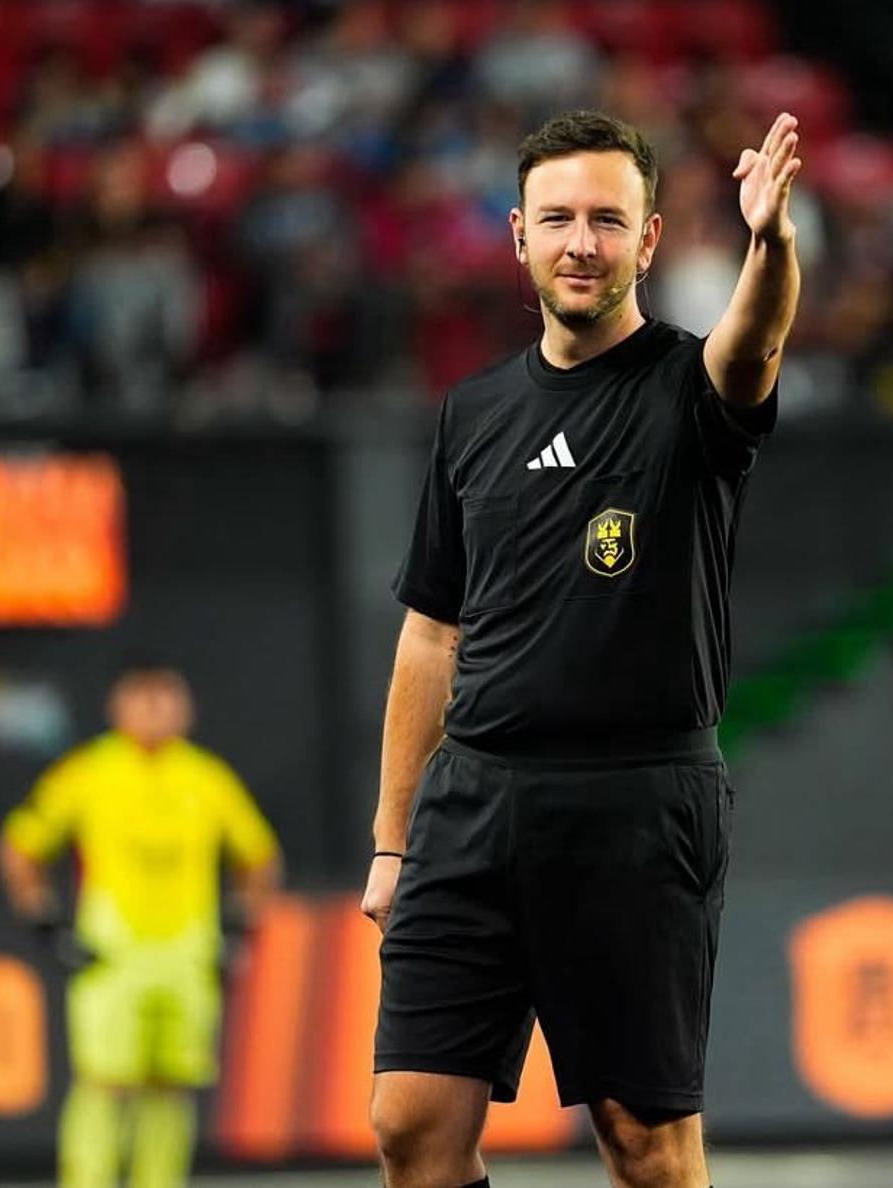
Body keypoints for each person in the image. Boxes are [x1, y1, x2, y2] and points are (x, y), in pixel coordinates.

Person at [361, 109, 801, 1188]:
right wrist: (391, 841)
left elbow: (755, 349)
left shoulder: (690, 389)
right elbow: (430, 635)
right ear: (517, 234)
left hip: (636, 807)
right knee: (411, 1125)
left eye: (609, 219)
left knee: (646, 1148)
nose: (581, 241)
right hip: (473, 805)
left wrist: (772, 248)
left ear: (649, 241)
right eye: (557, 217)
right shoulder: (473, 414)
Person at [0, 661, 282, 1188]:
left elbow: (259, 857)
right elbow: (19, 847)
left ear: (185, 707)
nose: (153, 709)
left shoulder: (205, 777)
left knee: (172, 1086)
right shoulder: (87, 772)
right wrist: (47, 923)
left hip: (186, 953)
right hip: (112, 952)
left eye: (165, 696)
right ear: (117, 706)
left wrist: (239, 930)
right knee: (104, 1083)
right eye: (141, 697)